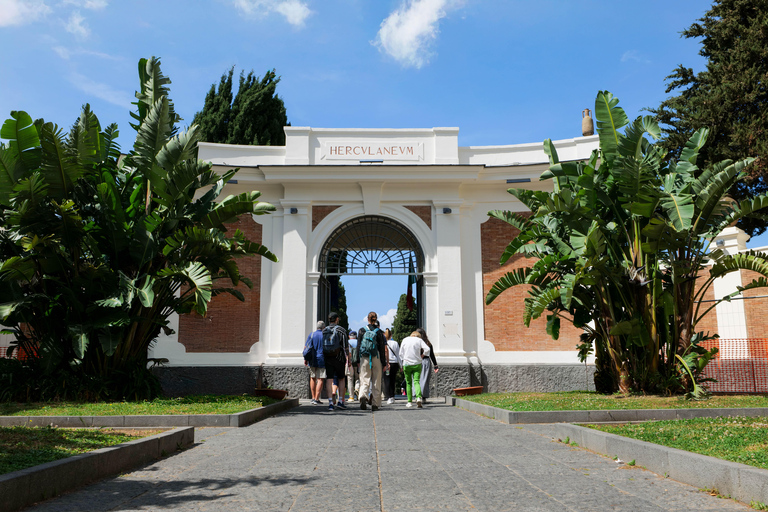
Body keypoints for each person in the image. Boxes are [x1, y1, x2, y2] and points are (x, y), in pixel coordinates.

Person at [357, 311, 389, 411]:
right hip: (376, 357)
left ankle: (363, 395)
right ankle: (375, 403)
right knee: (376, 380)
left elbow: (358, 346)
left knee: (364, 378)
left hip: (364, 357)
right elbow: (382, 349)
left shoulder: (362, 330)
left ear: (367, 319)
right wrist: (384, 363)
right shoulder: (379, 332)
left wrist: (358, 360)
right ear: (376, 319)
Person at [323, 312, 349, 411]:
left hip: (328, 358)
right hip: (339, 358)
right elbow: (345, 346)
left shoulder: (324, 330)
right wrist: (348, 359)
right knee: (341, 379)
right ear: (337, 319)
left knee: (329, 380)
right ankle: (340, 401)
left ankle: (330, 403)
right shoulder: (341, 330)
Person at [398, 330, 431, 408]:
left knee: (409, 383)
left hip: (407, 364)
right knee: (416, 381)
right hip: (417, 364)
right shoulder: (419, 340)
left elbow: (400, 353)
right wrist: (422, 355)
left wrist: (403, 359)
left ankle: (409, 402)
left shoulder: (405, 340)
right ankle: (418, 397)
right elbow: (427, 349)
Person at [303, 320, 326, 405]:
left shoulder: (311, 334)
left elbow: (306, 347)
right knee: (320, 379)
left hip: (312, 358)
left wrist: (305, 359)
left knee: (312, 377)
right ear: (323, 327)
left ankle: (313, 397)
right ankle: (317, 398)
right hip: (322, 358)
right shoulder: (324, 335)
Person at [417, 327, 438, 403]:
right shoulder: (428, 343)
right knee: (425, 380)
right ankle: (423, 397)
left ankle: (418, 395)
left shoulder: (417, 343)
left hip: (418, 361)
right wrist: (435, 365)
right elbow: (432, 355)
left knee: (417, 379)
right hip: (426, 361)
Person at [383, 328, 401, 405]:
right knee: (393, 380)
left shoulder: (383, 343)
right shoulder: (395, 343)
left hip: (387, 363)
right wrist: (401, 365)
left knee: (387, 380)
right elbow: (398, 354)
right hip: (394, 363)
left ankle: (388, 397)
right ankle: (392, 396)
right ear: (391, 335)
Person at [346, 331, 359, 401]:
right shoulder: (358, 342)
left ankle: (351, 397)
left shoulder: (347, 342)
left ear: (349, 336)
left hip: (349, 363)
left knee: (350, 379)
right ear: (356, 336)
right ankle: (357, 388)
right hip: (357, 363)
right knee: (358, 378)